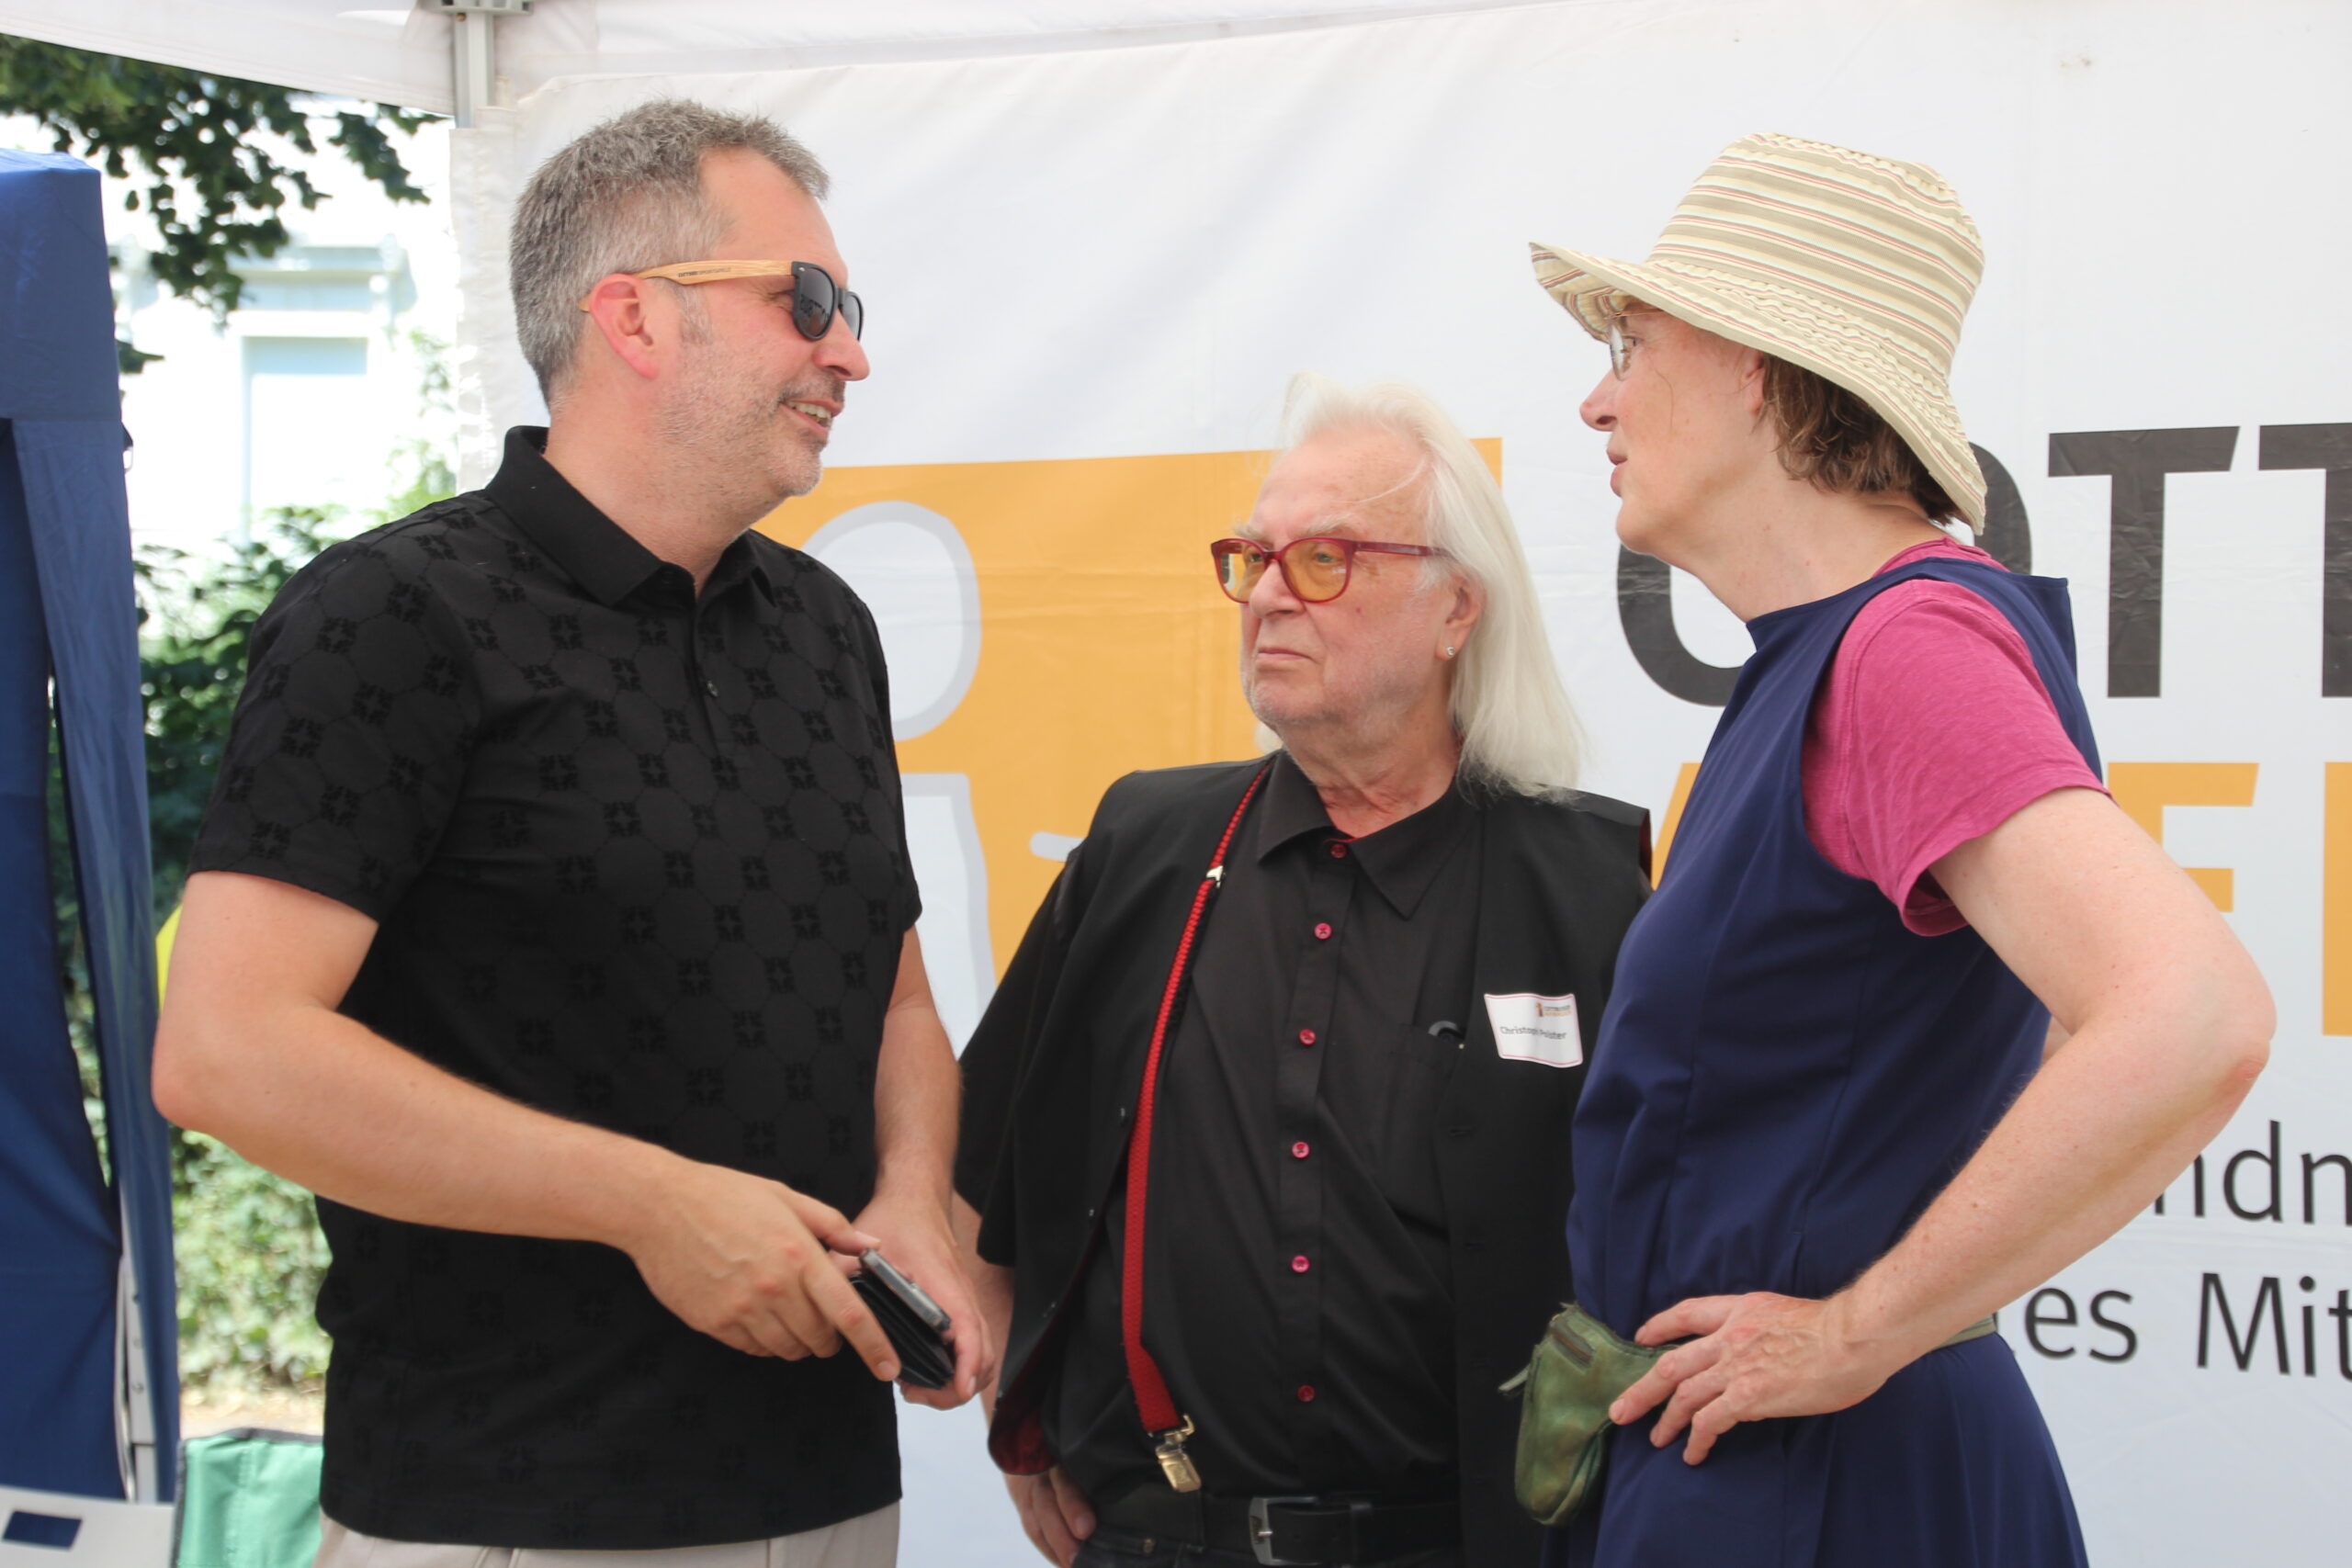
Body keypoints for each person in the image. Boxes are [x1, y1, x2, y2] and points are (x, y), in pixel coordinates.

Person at [153, 99, 990, 1567]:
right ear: (634, 317)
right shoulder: (394, 615)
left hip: (829, 1494)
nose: (848, 353)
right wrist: (653, 1206)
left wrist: (917, 1198)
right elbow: (226, 1052)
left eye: (846, 311)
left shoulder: (827, 629)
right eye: (806, 300)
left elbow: (896, 996)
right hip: (503, 1506)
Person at [1523, 131, 2272, 1565]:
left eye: (1634, 344)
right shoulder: (1835, 653)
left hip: (1821, 1489)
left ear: (1753, 366)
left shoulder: (1903, 648)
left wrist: (1855, 1331)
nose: (1596, 399)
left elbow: (2195, 1014)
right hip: (1764, 1468)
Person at [952, 375, 1651, 1568]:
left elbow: (1687, 1226)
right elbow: (979, 1166)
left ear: (1455, 608)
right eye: (1253, 558)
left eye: (1325, 559)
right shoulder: (1146, 849)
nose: (1270, 594)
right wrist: (1019, 1421)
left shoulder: (1585, 888)